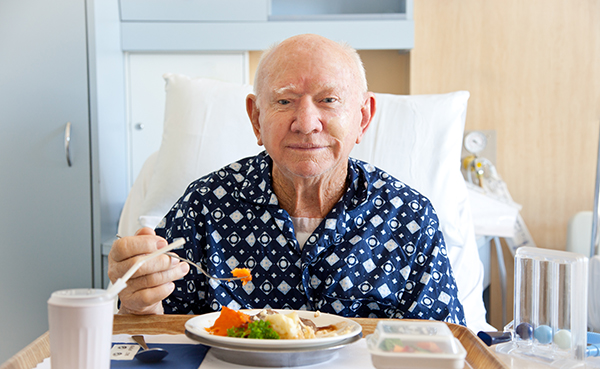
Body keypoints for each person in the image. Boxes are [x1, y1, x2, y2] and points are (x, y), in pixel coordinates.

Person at [108, 34, 466, 325]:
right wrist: (138, 303)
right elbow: (154, 335)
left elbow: (447, 347)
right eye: (284, 101)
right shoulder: (205, 206)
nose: (306, 122)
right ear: (256, 118)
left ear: (363, 117)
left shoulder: (408, 217)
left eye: (328, 99)